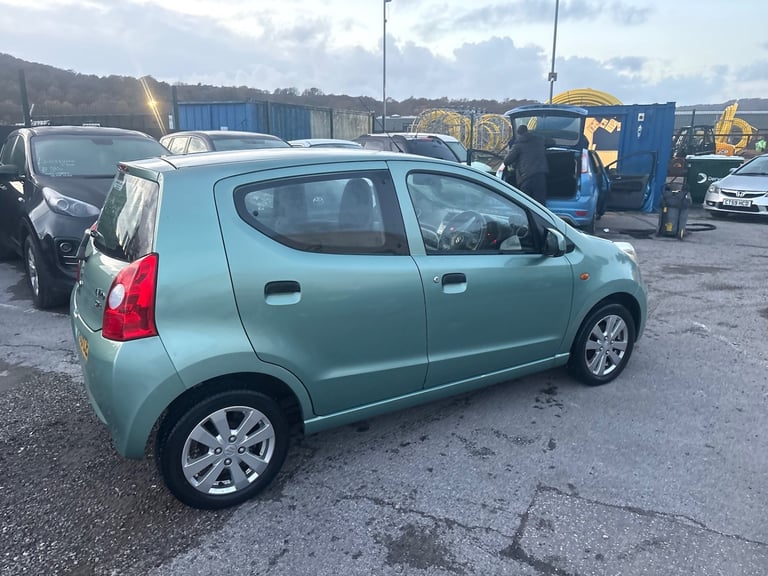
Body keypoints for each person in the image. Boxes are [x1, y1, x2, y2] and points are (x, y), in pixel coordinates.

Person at [503, 124, 548, 204]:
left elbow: (507, 161)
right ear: (527, 131)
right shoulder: (539, 141)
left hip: (526, 177)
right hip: (540, 175)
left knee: (526, 204)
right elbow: (552, 142)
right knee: (540, 203)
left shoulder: (518, 145)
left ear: (519, 134)